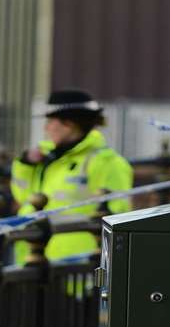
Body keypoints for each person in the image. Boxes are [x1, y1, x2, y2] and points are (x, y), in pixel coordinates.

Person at [9, 88, 134, 263]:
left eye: (51, 121)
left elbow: (117, 214)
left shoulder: (108, 162)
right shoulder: (47, 157)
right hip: (34, 255)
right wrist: (25, 165)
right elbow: (25, 197)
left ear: (69, 123)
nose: (46, 128)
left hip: (77, 264)